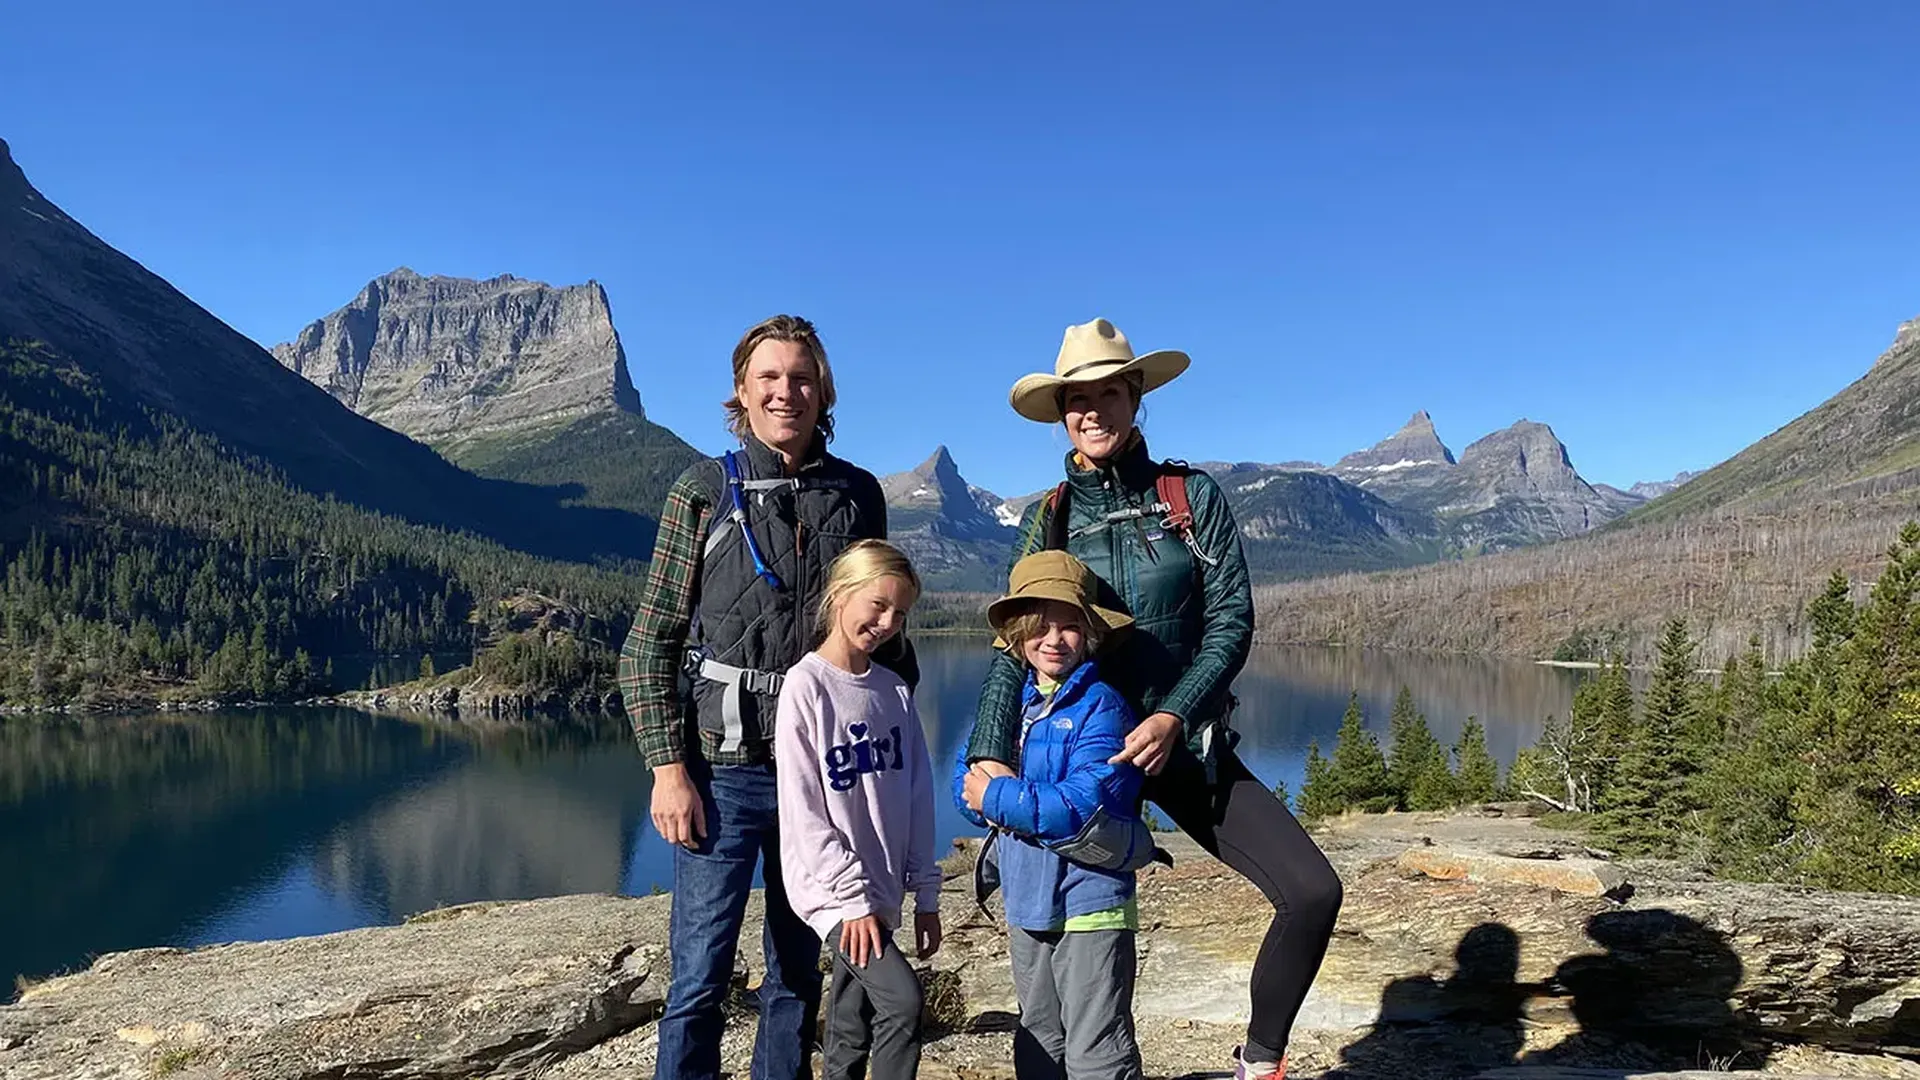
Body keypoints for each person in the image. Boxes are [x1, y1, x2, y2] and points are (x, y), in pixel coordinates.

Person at [962, 317, 1344, 1080]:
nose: (1093, 411)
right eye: (1077, 398)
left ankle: (1260, 1062)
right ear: (1061, 412)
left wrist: (1178, 713)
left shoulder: (1189, 496)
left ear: (1136, 395)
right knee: (1067, 972)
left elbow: (1231, 619)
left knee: (1311, 891)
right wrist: (986, 753)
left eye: (1109, 391)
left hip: (1178, 746)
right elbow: (1017, 642)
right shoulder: (1049, 517)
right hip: (1081, 758)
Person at [617, 314, 916, 1080]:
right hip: (724, 772)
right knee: (699, 977)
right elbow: (647, 644)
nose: (788, 392)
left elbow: (881, 633)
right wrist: (667, 769)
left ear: (824, 394)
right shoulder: (702, 491)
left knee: (796, 975)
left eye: (802, 379)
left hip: (823, 779)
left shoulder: (856, 496)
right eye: (770, 379)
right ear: (742, 395)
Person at [955, 549, 1151, 1080]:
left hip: (1092, 901)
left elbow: (1085, 803)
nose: (1054, 639)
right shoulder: (1010, 703)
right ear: (1019, 635)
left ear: (1089, 633)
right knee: (1039, 1036)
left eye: (1069, 626)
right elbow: (966, 780)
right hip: (1027, 899)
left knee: (1097, 1047)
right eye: (1040, 627)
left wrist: (995, 798)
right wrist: (979, 792)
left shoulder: (1102, 706)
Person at [775, 539, 943, 1080]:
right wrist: (851, 900)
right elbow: (803, 812)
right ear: (841, 594)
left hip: (882, 888)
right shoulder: (807, 687)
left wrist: (926, 893)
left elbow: (918, 797)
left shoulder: (893, 691)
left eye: (900, 612)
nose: (888, 621)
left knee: (851, 1018)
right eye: (878, 604)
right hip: (835, 895)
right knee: (902, 1002)